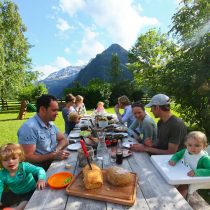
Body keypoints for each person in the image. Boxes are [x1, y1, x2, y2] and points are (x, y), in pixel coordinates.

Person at [18, 94, 69, 171]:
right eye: (54, 110)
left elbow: (63, 139)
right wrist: (53, 155)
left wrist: (56, 151)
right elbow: (28, 157)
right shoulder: (29, 128)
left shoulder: (50, 123)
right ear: (42, 109)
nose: (57, 113)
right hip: (40, 171)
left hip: (53, 163)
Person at [0, 143, 47, 210]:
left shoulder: (24, 166)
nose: (10, 161)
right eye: (5, 160)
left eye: (14, 158)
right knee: (5, 197)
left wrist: (41, 179)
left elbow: (39, 170)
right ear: (1, 162)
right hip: (15, 192)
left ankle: (17, 208)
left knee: (27, 199)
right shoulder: (2, 174)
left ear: (19, 158)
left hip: (30, 189)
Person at [168, 131, 210, 198]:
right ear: (186, 144)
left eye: (197, 145)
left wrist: (196, 172)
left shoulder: (204, 158)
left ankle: (178, 202)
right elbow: (177, 155)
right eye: (190, 145)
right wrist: (174, 159)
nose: (192, 148)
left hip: (196, 178)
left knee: (183, 188)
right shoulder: (186, 151)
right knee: (169, 183)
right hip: (185, 173)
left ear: (204, 146)